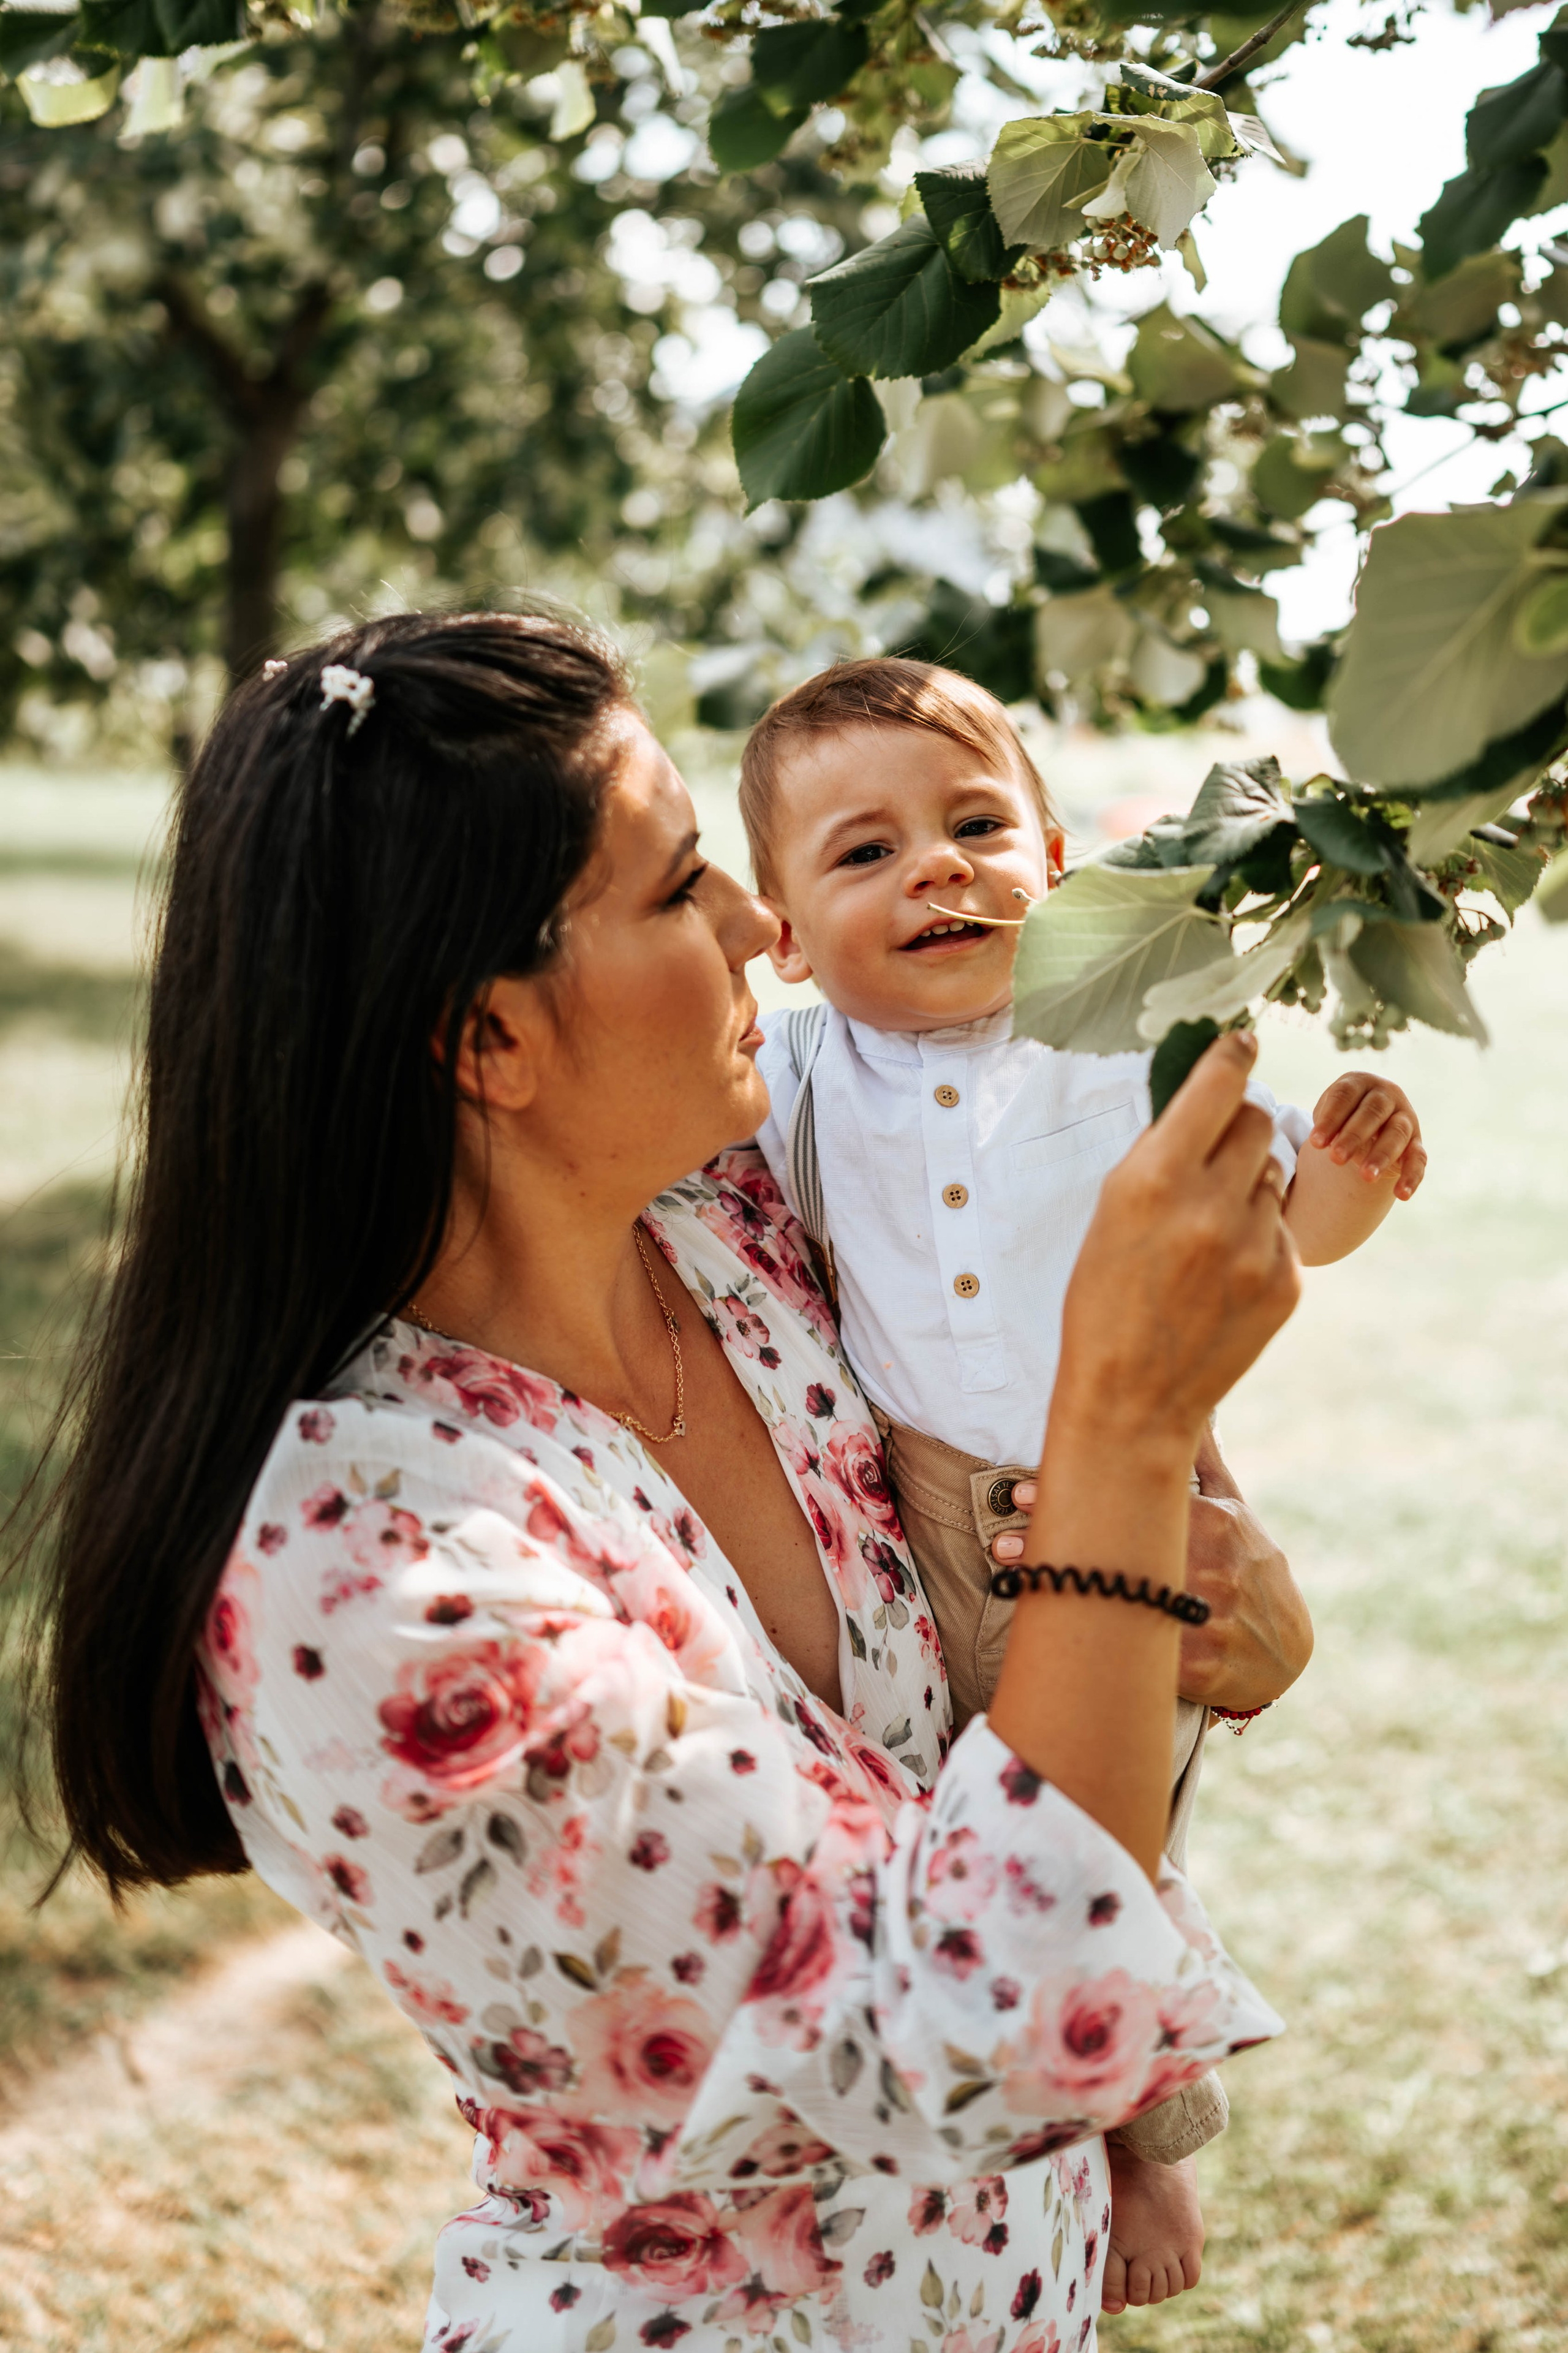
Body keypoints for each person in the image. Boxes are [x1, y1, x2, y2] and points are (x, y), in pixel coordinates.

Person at [34, 610, 1298, 2353]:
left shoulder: (738, 1235)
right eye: (683, 884)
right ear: (486, 1039)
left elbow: (1023, 1691)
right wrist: (1126, 1434)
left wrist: (1219, 1606)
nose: (758, 933)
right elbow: (1001, 2027)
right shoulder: (377, 1582)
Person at [739, 657, 1425, 2311]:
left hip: (1115, 1490)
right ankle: (1054, 2104)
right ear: (780, 933)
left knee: (1129, 1814)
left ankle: (1148, 2129)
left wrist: (1344, 1174)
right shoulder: (804, 1082)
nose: (937, 868)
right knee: (965, 1798)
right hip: (910, 1516)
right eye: (864, 853)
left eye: (979, 824)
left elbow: (1277, 1226)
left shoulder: (1128, 1045)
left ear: (1059, 857)